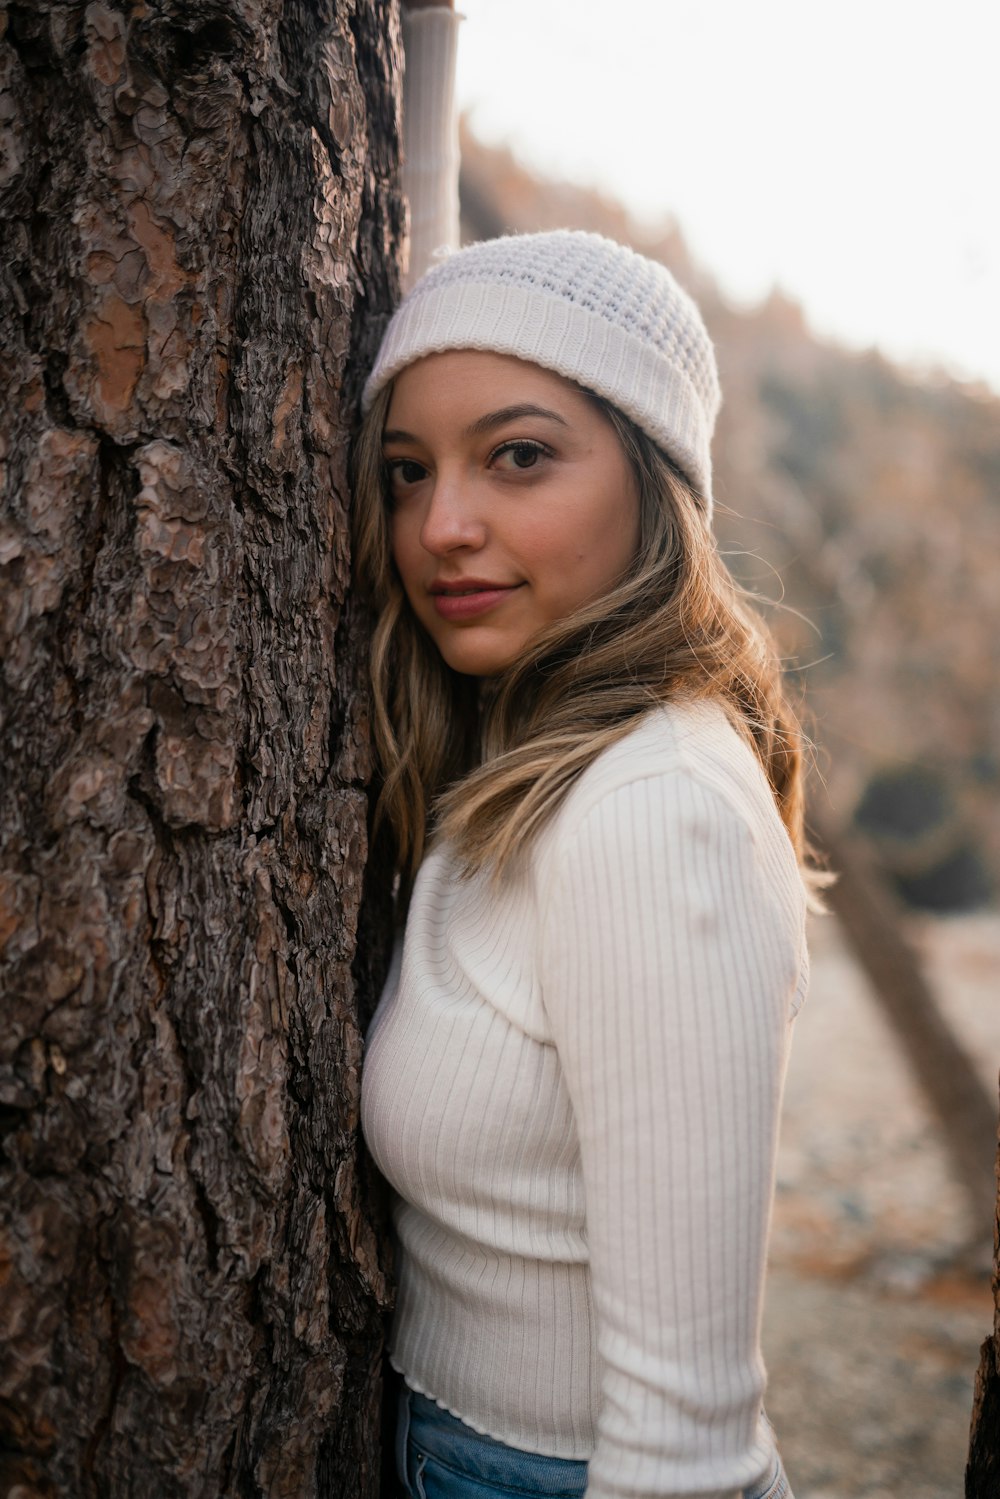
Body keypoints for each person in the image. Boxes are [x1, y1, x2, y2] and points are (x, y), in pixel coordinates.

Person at [355, 6, 811, 1497]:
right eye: (408, 472)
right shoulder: (523, 754)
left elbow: (685, 1440)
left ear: (655, 480)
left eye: (522, 456)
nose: (443, 528)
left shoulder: (650, 807)